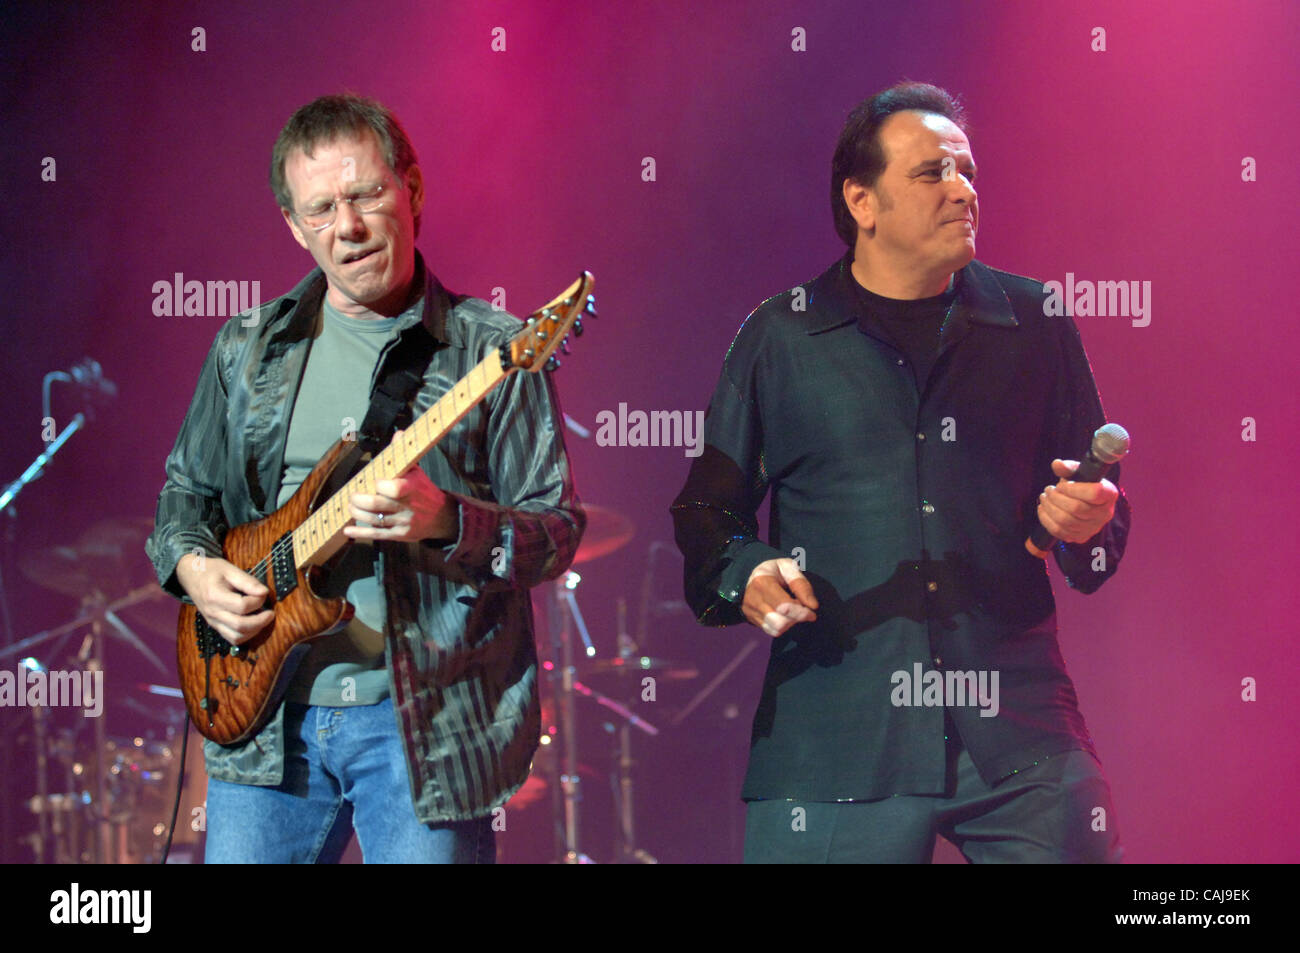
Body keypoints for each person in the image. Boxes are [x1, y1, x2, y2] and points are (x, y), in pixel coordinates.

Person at [670, 82, 1130, 863]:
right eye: (933, 173)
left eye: (969, 172)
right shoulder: (780, 337)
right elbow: (707, 516)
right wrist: (747, 570)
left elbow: (1100, 528)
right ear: (862, 200)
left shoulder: (1035, 322)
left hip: (1018, 727)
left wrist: (1088, 523)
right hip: (837, 738)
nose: (963, 190)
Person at [145, 94, 584, 863]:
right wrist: (195, 569)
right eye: (320, 209)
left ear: (411, 190)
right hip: (265, 729)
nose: (346, 228)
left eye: (366, 195)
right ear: (293, 226)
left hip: (424, 733)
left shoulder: (494, 351)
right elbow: (185, 495)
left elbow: (554, 534)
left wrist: (447, 518)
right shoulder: (249, 348)